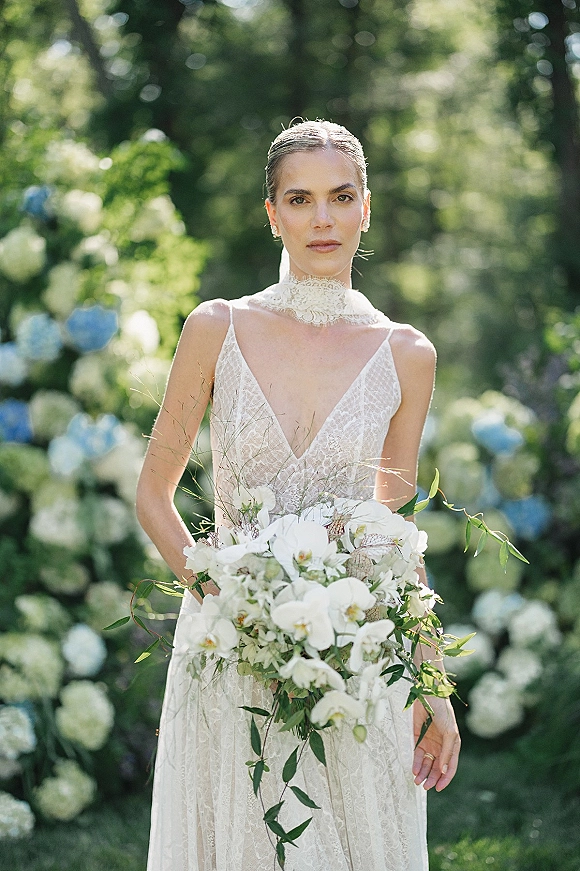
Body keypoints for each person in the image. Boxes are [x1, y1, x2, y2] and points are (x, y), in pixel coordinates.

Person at [136, 119, 460, 871]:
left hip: (357, 648)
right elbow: (154, 492)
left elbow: (396, 534)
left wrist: (432, 684)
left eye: (341, 197)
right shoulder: (215, 327)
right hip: (227, 643)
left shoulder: (407, 355)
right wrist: (222, 596)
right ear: (272, 213)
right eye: (301, 198)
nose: (323, 219)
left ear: (366, 208)